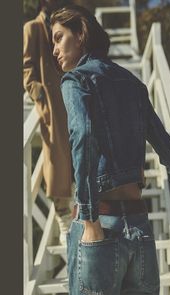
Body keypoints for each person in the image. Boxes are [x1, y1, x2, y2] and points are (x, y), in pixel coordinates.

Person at [50, 4, 170, 295]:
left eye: (59, 38)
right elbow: (158, 135)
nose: (55, 50)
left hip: (99, 226)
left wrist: (89, 217)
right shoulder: (134, 84)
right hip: (139, 227)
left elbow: (83, 135)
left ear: (81, 33)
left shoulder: (75, 80)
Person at [23, 0, 74, 245]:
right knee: (56, 157)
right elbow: (26, 67)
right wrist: (38, 94)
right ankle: (64, 220)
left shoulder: (63, 24)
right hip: (50, 101)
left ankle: (76, 213)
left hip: (69, 95)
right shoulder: (32, 27)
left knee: (74, 152)